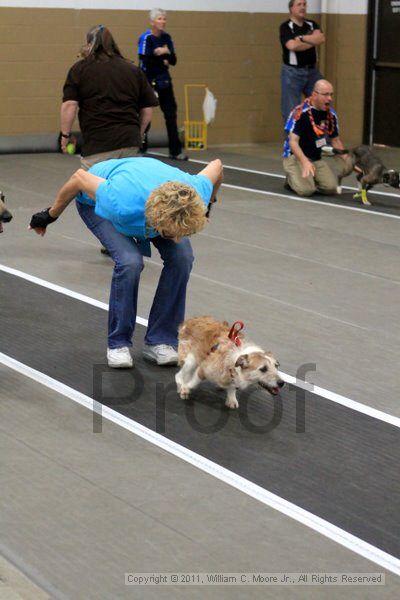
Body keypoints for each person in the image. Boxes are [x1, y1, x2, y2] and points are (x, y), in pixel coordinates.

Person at [29, 157, 223, 368]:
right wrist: (50, 215)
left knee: (182, 257)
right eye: (170, 234)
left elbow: (217, 166)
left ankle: (160, 340)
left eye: (182, 233)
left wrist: (208, 206)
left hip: (160, 199)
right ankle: (118, 343)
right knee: (130, 262)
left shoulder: (195, 193)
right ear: (155, 221)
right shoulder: (120, 202)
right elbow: (79, 178)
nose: (177, 238)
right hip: (99, 201)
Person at [60, 24, 159, 169]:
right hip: (129, 143)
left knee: (90, 188)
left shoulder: (79, 69)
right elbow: (147, 109)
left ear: (89, 45)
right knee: (124, 187)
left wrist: (65, 136)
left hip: (98, 145)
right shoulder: (132, 70)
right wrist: (139, 133)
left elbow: (69, 105)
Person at [282, 79, 353, 197]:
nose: (329, 98)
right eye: (326, 94)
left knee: (331, 188)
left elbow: (335, 141)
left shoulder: (331, 115)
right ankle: (291, 180)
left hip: (316, 158)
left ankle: (309, 178)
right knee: (306, 191)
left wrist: (351, 162)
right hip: (296, 157)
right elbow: (293, 142)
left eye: (331, 94)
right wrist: (305, 162)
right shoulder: (301, 113)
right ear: (314, 95)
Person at [138, 8, 188, 160]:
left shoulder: (167, 37)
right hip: (148, 81)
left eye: (164, 19)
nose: (163, 21)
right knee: (146, 115)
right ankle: (141, 146)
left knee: (171, 114)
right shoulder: (146, 38)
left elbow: (173, 60)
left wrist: (165, 52)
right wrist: (161, 54)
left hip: (164, 80)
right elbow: (145, 60)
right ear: (152, 21)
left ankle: (175, 150)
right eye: (160, 19)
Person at [280, 0, 325, 123]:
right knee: (291, 110)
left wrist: (301, 38)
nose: (303, 7)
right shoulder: (286, 27)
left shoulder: (312, 24)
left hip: (312, 72)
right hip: (292, 73)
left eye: (304, 4)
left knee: (321, 104)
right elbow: (292, 46)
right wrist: (312, 41)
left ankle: (322, 141)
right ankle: (292, 142)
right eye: (299, 5)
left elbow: (320, 38)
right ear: (291, 8)